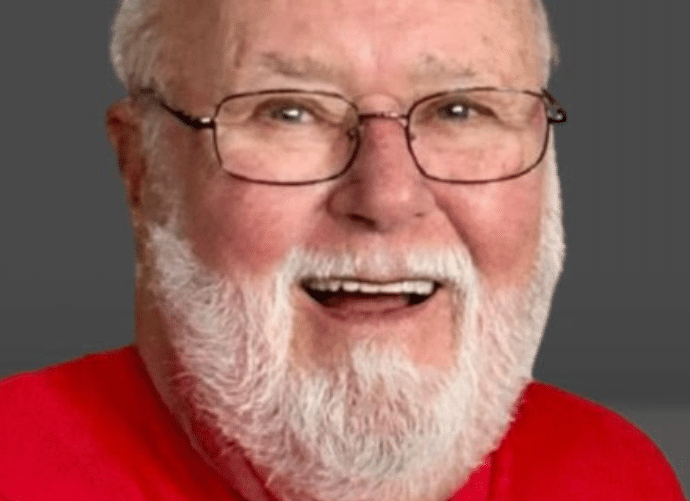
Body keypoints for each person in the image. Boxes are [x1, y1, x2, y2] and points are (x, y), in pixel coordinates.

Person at [0, 0, 685, 499]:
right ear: (142, 169)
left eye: (460, 110)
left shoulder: (615, 477)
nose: (386, 197)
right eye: (288, 111)